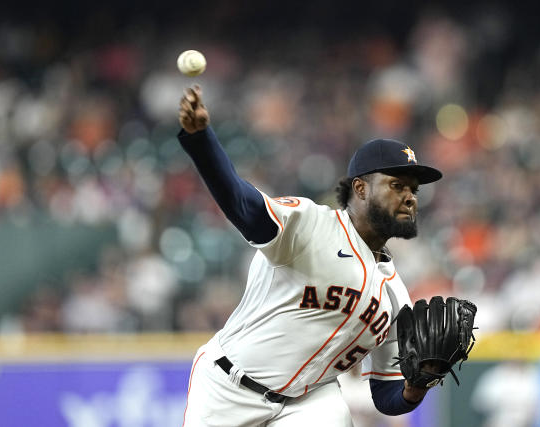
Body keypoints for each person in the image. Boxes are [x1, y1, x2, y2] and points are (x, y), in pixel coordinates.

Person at [178, 85, 445, 427]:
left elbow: (386, 394)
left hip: (310, 402)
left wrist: (417, 386)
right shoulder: (311, 226)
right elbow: (243, 205)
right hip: (230, 387)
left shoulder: (396, 296)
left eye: (414, 190)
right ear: (360, 188)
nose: (410, 197)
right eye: (397, 185)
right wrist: (202, 141)